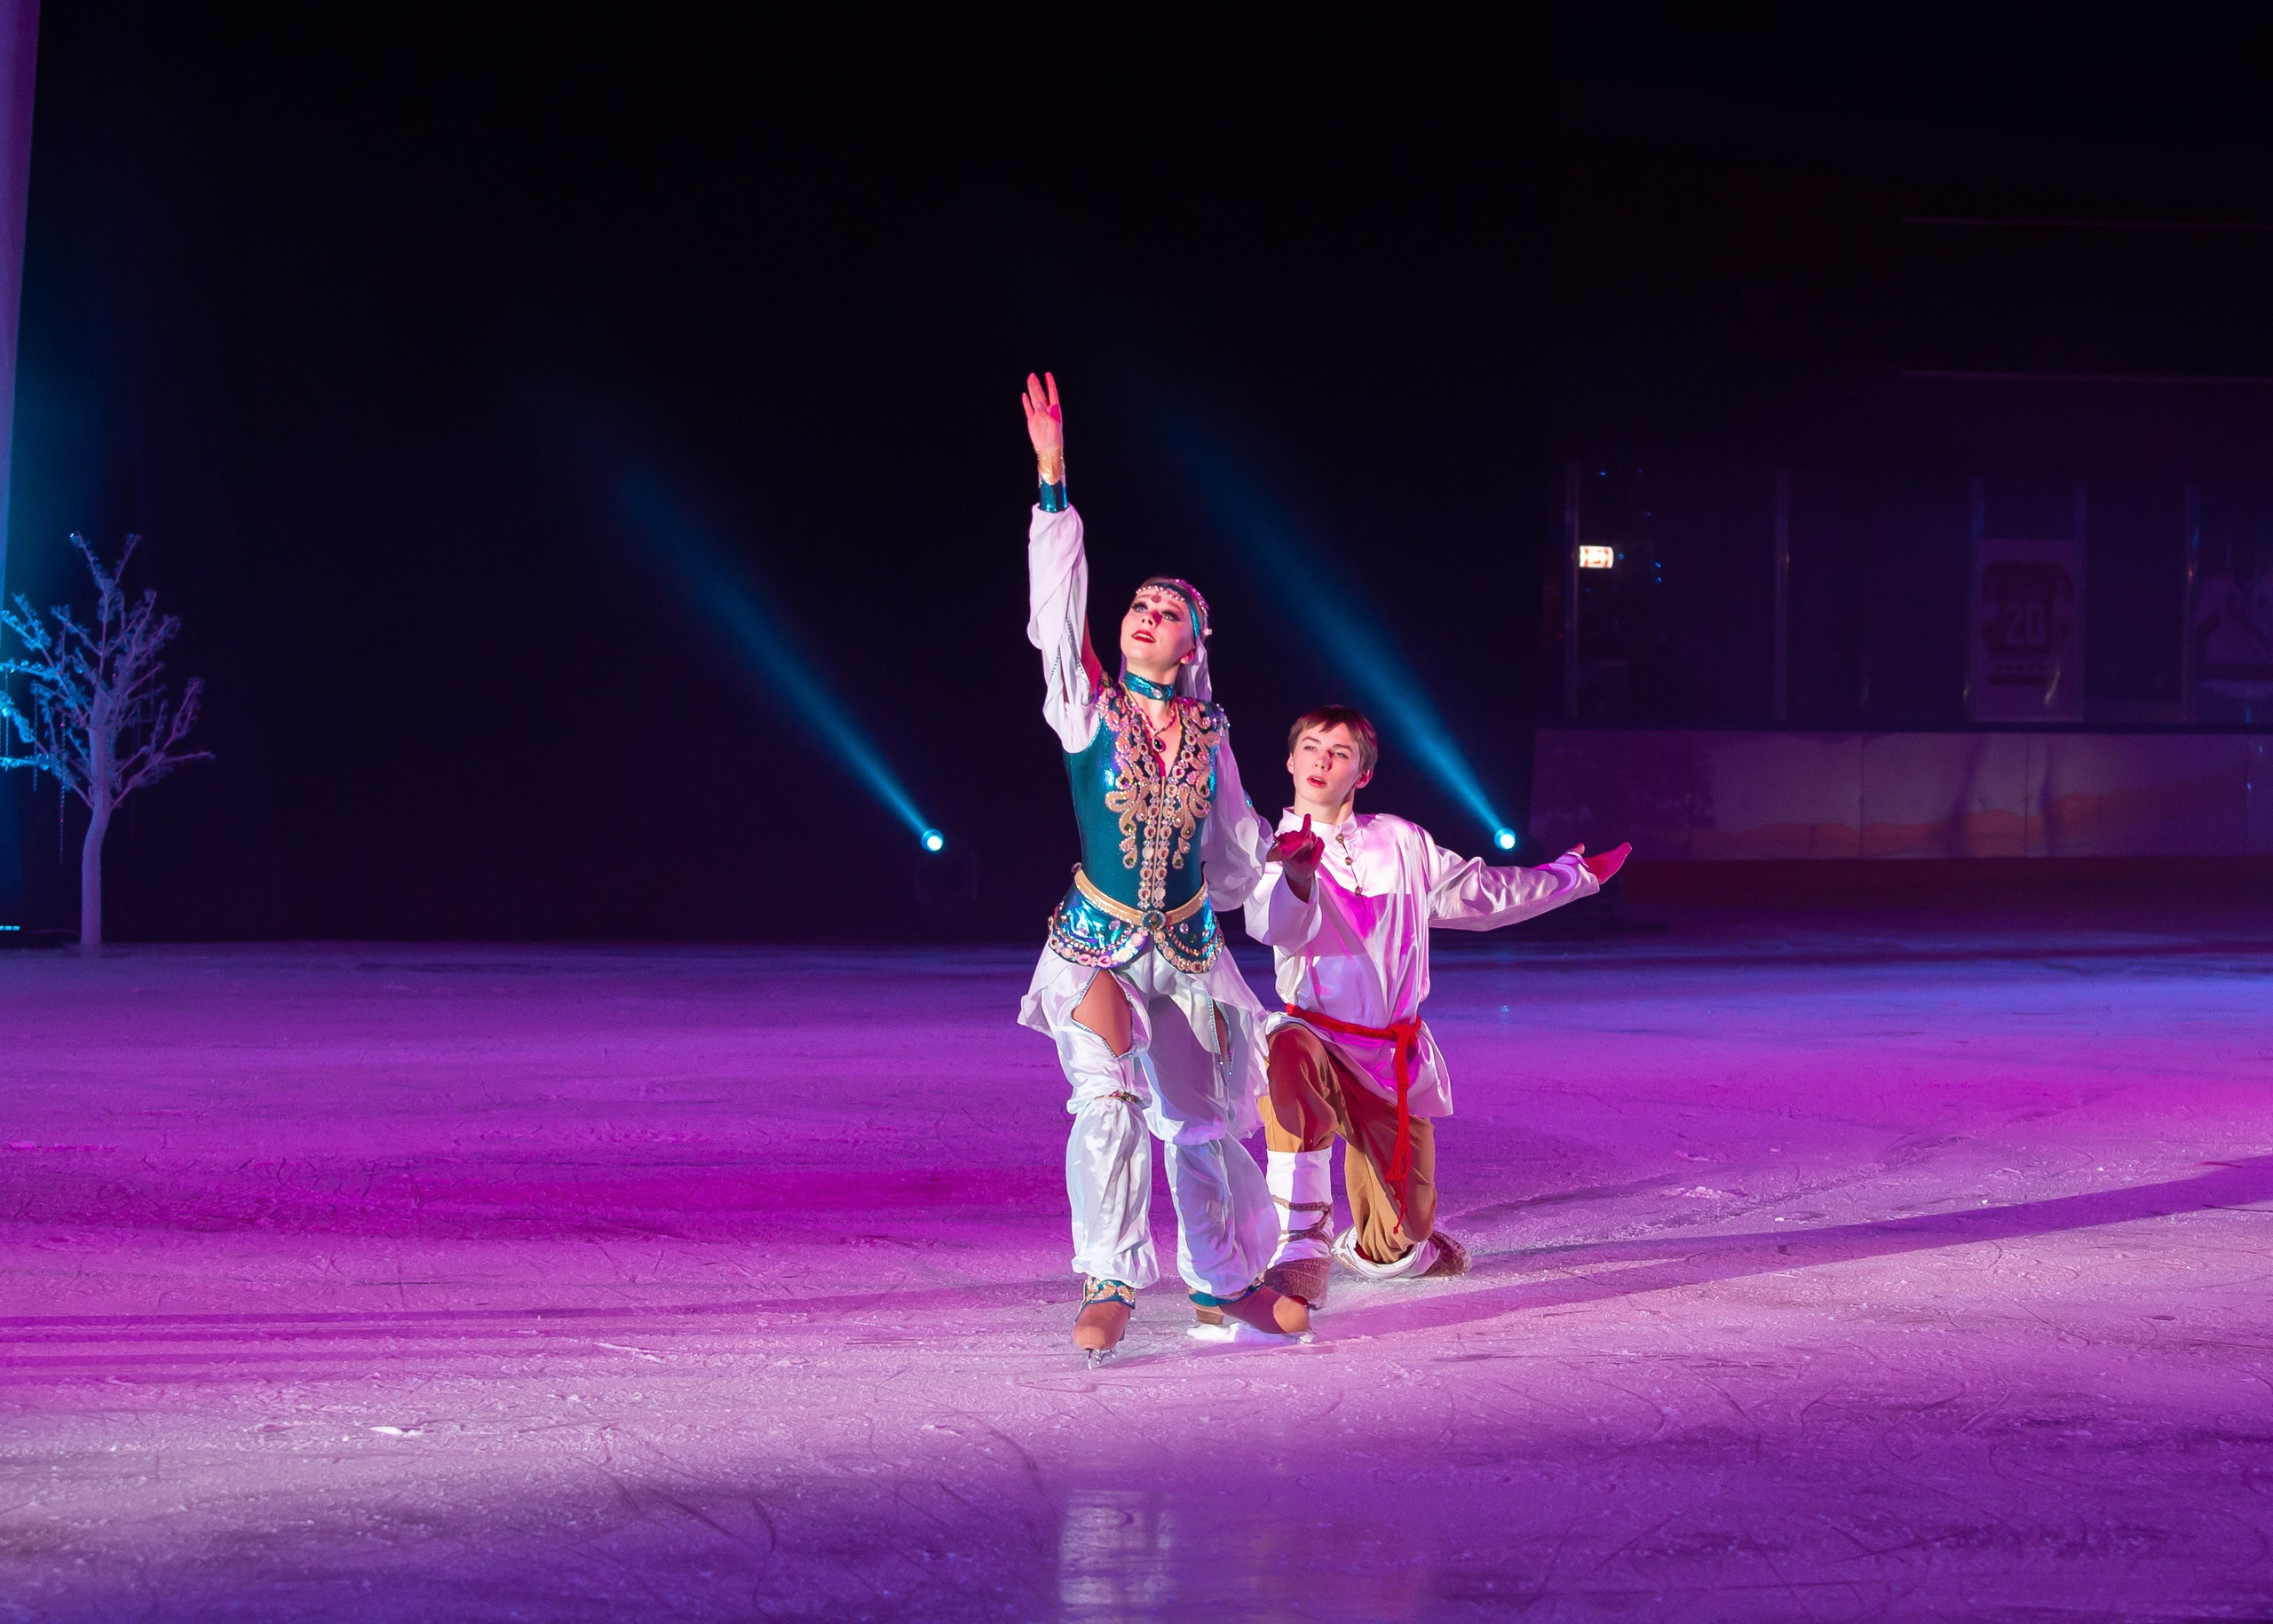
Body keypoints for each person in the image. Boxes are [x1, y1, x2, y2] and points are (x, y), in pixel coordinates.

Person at [1014, 371, 1310, 1366]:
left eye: (1162, 610)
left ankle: (1223, 1278)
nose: (1142, 614)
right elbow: (1058, 618)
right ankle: (1107, 1276)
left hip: (1186, 949)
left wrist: (1292, 869)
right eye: (1135, 603)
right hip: (1093, 940)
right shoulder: (1084, 709)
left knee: (1198, 1120)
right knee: (1106, 1097)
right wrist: (1053, 478)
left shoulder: (1212, 734)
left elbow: (1236, 858)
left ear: (1192, 644)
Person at [1245, 705, 1629, 1304]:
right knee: (1284, 1050)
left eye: (1340, 752)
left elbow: (1484, 894)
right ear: (1291, 759)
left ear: (1362, 774)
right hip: (1312, 1038)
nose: (1323, 759)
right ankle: (1299, 1244)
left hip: (1386, 1058)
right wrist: (1296, 876)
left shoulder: (1402, 841)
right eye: (1312, 747)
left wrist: (1574, 876)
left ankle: (1385, 1241)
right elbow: (1270, 925)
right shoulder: (1272, 847)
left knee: (1403, 1238)